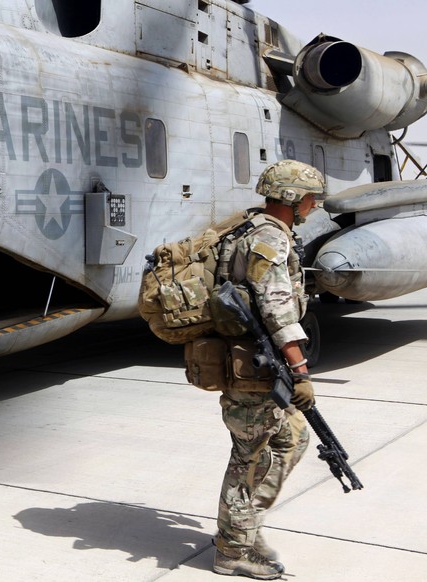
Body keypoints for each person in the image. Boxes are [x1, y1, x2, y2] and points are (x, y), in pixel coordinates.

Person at [203, 160, 325, 579]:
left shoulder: (252, 228)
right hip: (254, 367)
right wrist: (302, 370)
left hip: (259, 364)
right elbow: (276, 310)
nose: (314, 203)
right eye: (311, 196)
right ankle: (231, 551)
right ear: (292, 197)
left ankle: (244, 527)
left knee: (292, 438)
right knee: (247, 461)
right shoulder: (268, 238)